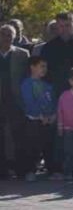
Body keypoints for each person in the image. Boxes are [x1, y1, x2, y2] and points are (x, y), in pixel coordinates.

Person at [0, 25, 30, 179]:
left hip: (16, 100)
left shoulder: (22, 54)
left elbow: (27, 78)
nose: (6, 37)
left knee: (19, 135)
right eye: (3, 34)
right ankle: (2, 170)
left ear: (14, 36)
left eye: (9, 35)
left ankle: (21, 169)